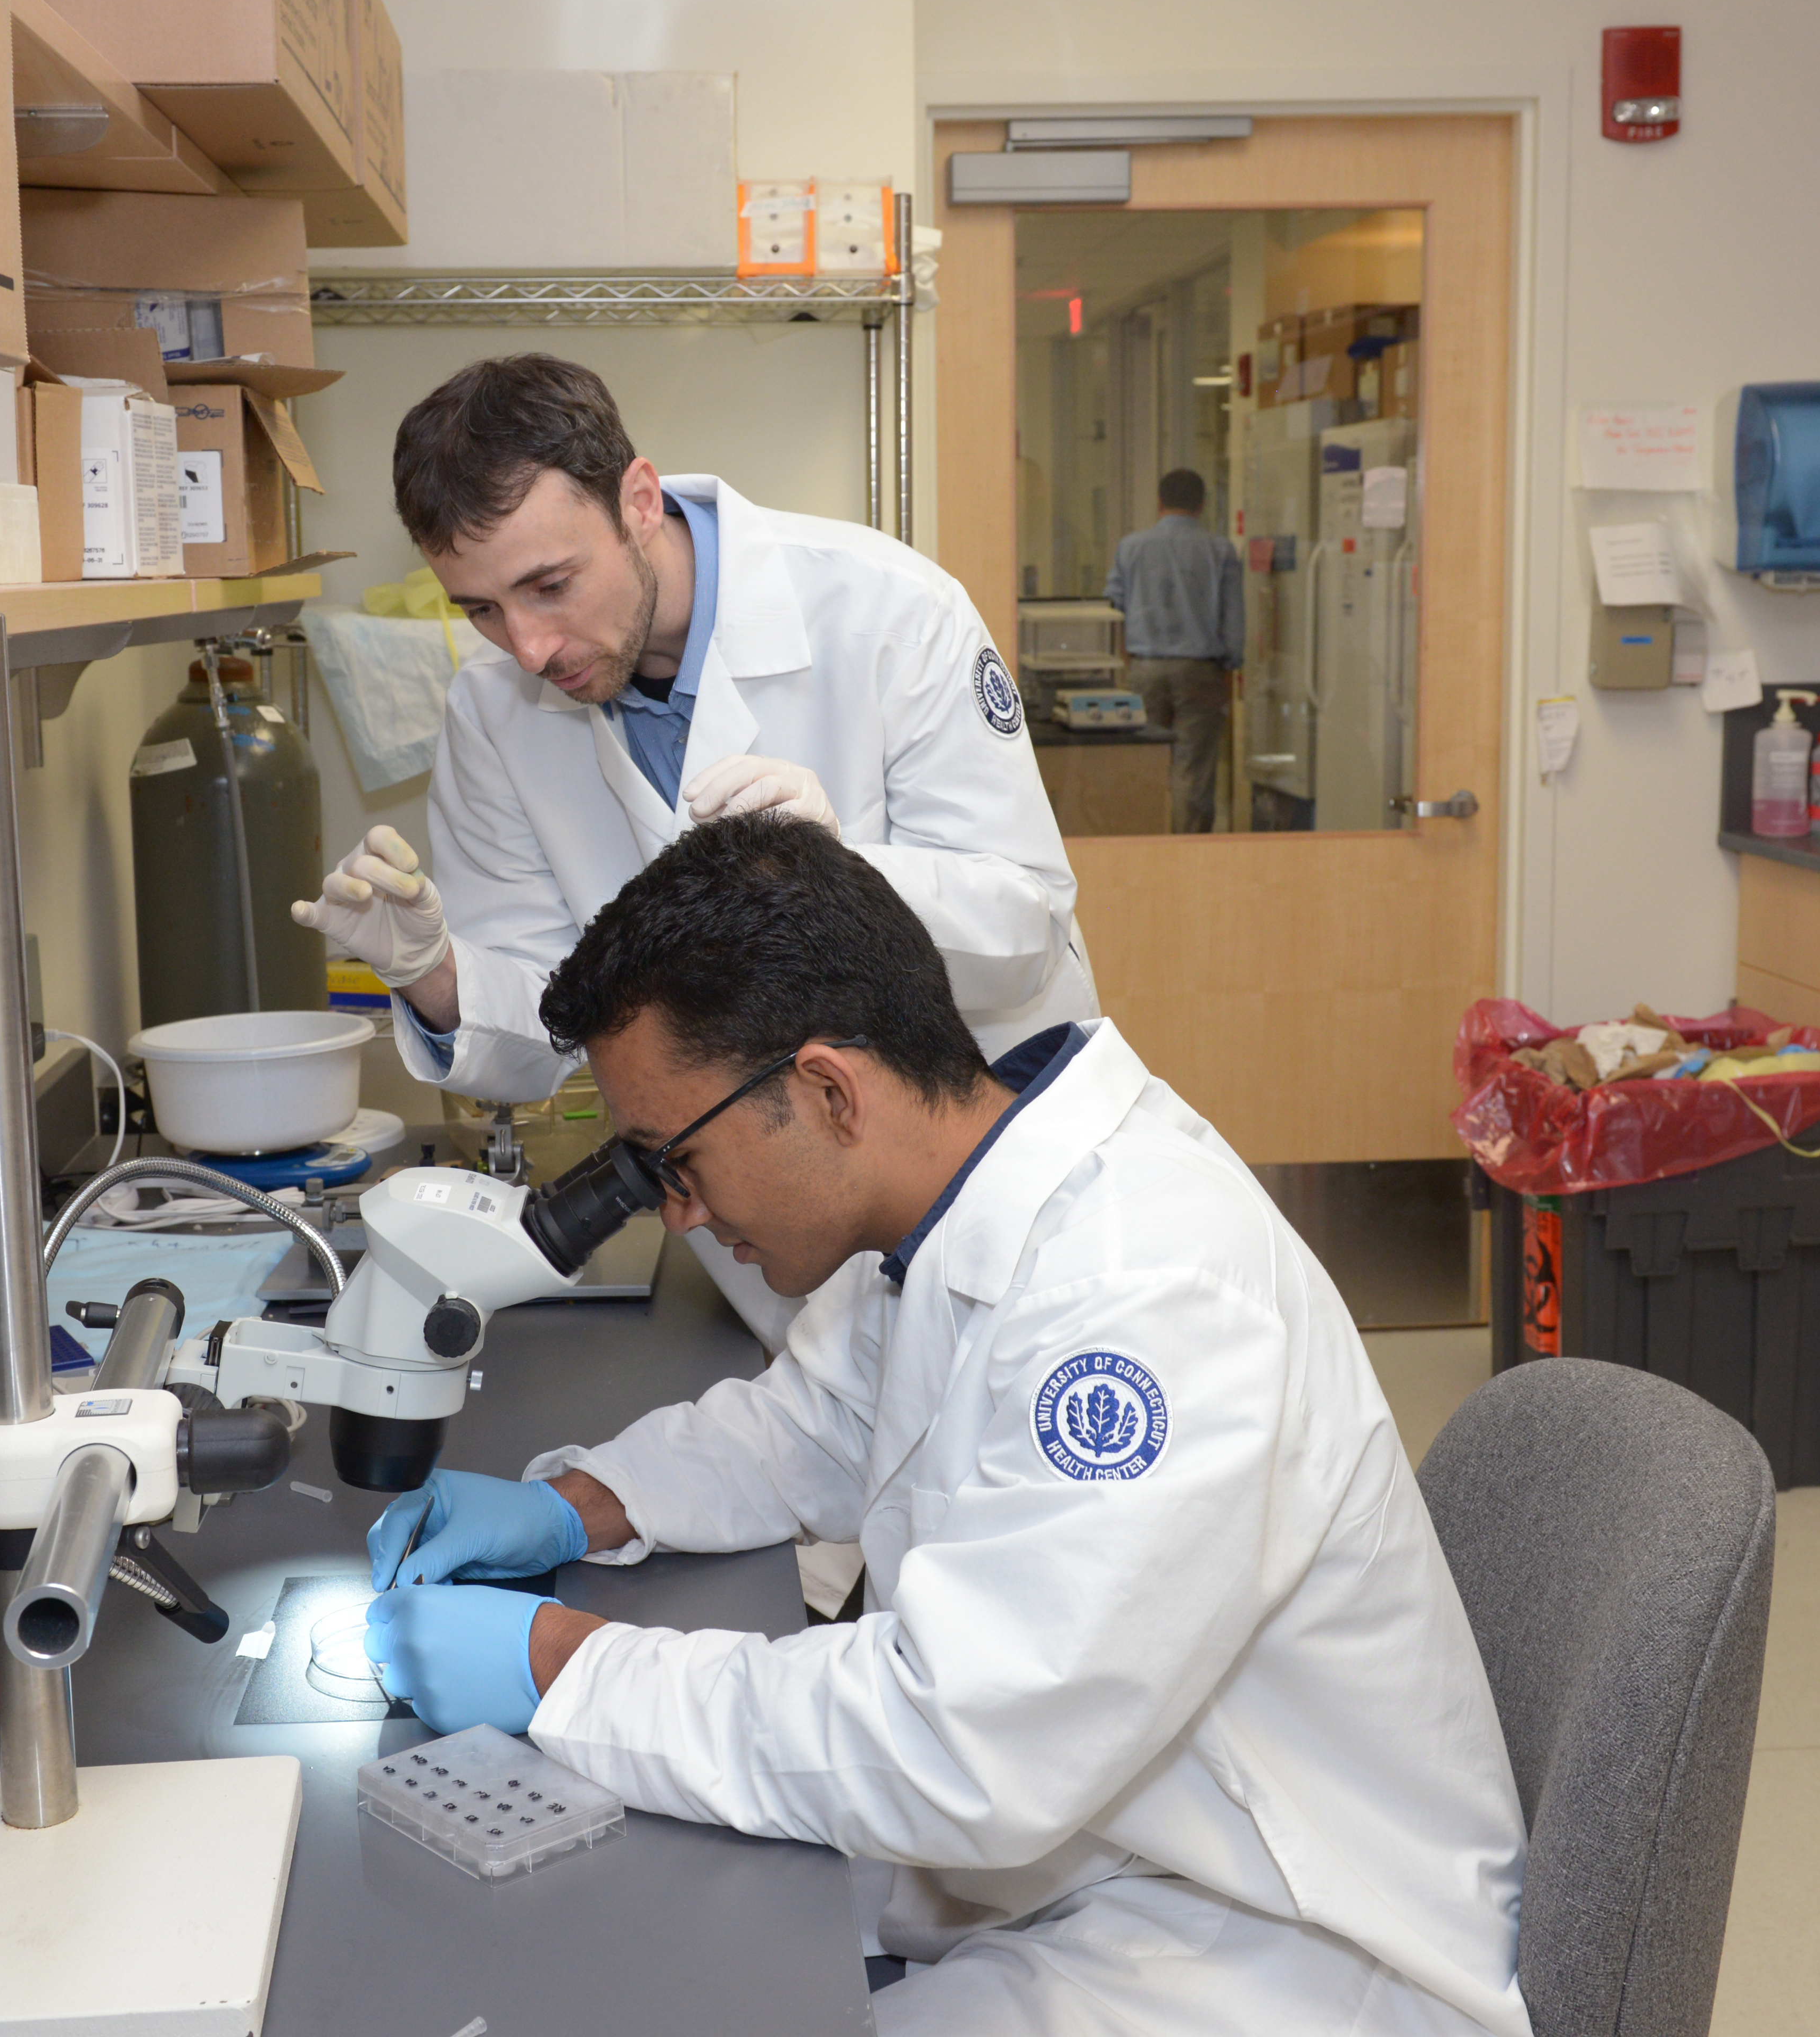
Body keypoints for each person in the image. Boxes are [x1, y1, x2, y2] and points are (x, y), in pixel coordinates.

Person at [359, 814, 1531, 2037]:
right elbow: (805, 1426)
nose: (684, 1214)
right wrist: (574, 1501)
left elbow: (965, 1744)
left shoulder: (1144, 1297)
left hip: (1273, 1944)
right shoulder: (952, 1201)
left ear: (823, 1088)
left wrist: (560, 1661)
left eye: (678, 1159)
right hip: (1096, 1852)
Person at [290, 353, 1097, 1351]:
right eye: (483, 610)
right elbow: (552, 1027)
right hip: (777, 1246)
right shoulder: (494, 713)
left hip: (991, 1199)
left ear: (637, 500)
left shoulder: (890, 611)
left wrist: (847, 871)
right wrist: (435, 976)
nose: (529, 647)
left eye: (550, 584)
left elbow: (1024, 924)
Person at [1103, 466, 1244, 833]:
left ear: (1160, 502)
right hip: (1201, 671)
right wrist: (1229, 671)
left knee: (1143, 765)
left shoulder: (1131, 548)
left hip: (1144, 668)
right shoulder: (1219, 550)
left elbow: (1113, 611)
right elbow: (1233, 620)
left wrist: (1126, 664)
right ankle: (1189, 854)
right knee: (1193, 771)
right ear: (1201, 504)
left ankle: (1143, 842)